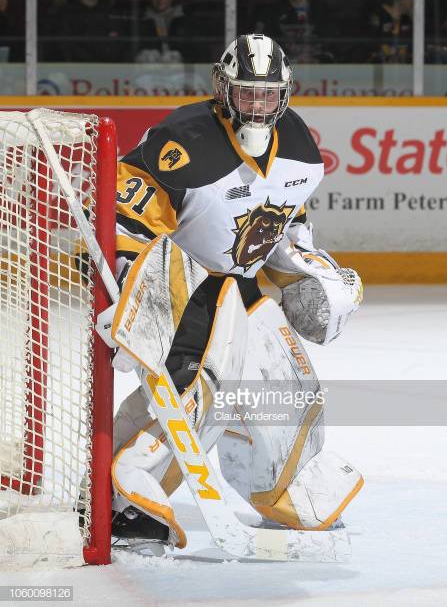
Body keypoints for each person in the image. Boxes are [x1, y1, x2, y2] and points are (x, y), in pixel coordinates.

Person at [109, 34, 364, 548]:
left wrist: (304, 274)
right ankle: (125, 502)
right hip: (186, 285)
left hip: (241, 288)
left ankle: (282, 492)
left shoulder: (299, 147)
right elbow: (130, 214)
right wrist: (131, 283)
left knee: (291, 390)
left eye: (266, 95)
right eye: (246, 93)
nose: (256, 105)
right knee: (198, 394)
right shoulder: (185, 137)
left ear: (285, 93)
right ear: (223, 89)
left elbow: (285, 227)